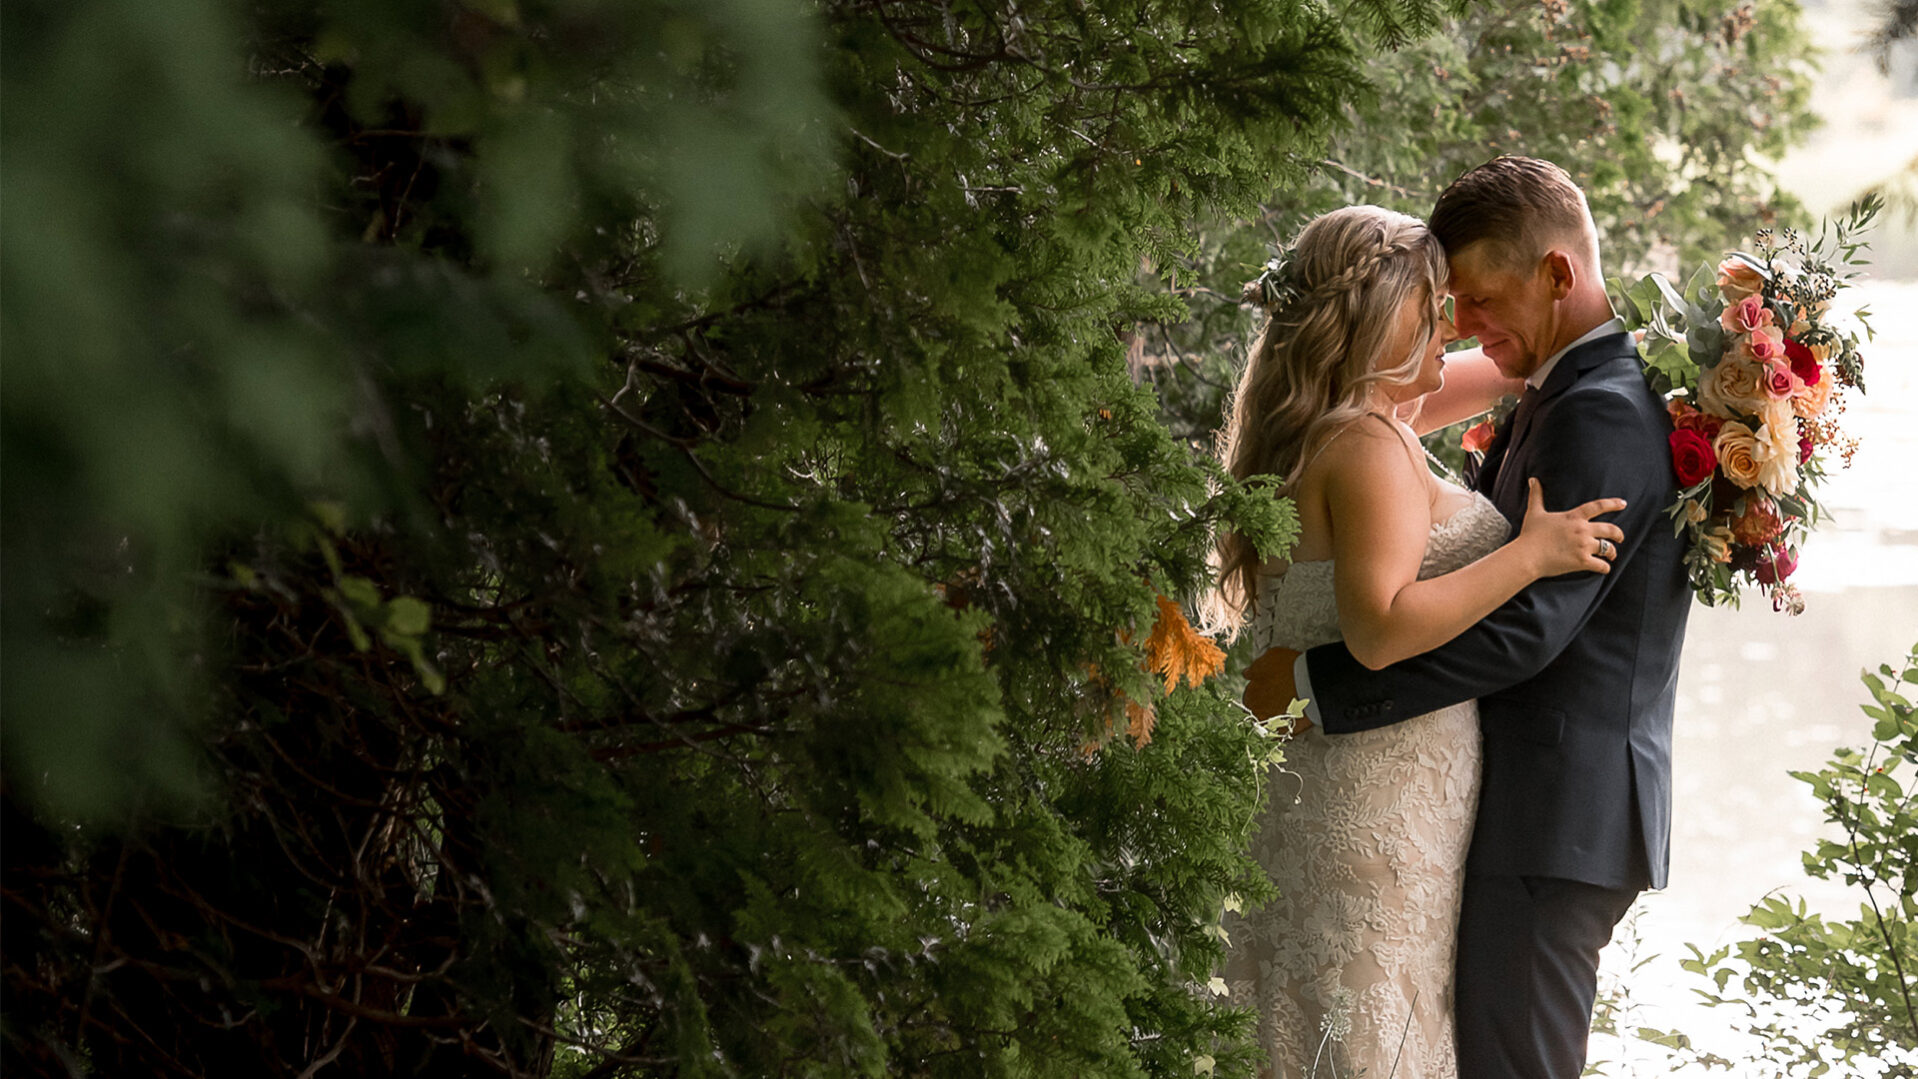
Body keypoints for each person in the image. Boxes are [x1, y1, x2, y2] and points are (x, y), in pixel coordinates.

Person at [1244, 158, 1692, 1078]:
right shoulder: (1392, 417)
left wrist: (1312, 692)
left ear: (1557, 276)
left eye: (1475, 299)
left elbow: (1530, 629)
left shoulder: (1597, 408)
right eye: (1440, 303)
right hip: (1425, 804)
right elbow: (1486, 382)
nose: (1461, 326)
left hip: (1546, 808)